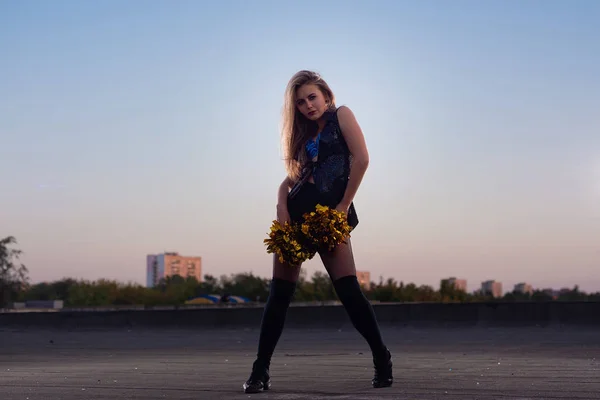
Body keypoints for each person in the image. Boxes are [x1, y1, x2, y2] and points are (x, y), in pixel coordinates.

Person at [243, 70, 393, 393]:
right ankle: (260, 371)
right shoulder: (304, 135)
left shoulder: (342, 116)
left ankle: (382, 358)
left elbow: (362, 159)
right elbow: (291, 180)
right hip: (296, 214)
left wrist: (343, 205)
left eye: (312, 97)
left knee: (349, 290)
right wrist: (281, 208)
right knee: (278, 295)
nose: (307, 105)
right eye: (300, 102)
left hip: (329, 215)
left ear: (325, 94)